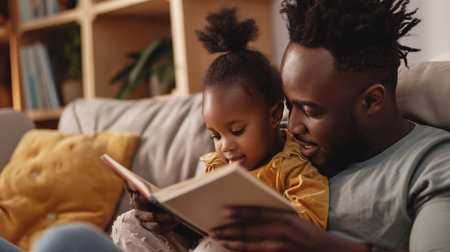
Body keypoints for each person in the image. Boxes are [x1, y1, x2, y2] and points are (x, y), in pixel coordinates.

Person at [208, 0, 450, 251]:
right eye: (290, 106)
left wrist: (316, 244)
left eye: (312, 111)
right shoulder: (275, 139)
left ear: (371, 101)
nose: (292, 127)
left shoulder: (432, 168)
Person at [110, 7, 328, 252]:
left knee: (213, 246)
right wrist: (172, 220)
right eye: (215, 135)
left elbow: (310, 229)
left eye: (237, 131)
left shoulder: (295, 166)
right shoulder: (217, 167)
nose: (225, 145)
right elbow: (200, 227)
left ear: (275, 115)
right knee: (127, 223)